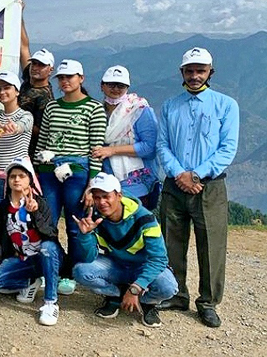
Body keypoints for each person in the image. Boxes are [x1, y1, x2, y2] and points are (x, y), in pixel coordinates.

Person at [156, 47, 239, 328]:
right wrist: (180, 174)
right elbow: (162, 145)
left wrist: (196, 174)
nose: (194, 76)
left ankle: (208, 302)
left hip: (210, 185)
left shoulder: (226, 105)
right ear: (182, 73)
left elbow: (228, 148)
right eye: (189, 71)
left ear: (210, 73)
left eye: (200, 71)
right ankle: (176, 293)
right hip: (175, 184)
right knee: (171, 242)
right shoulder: (169, 106)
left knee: (211, 246)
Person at [34, 59, 106, 296]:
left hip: (78, 171)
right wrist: (35, 174)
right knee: (48, 222)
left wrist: (92, 185)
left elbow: (96, 149)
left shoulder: (94, 109)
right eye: (62, 78)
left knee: (76, 226)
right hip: (48, 171)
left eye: (70, 77)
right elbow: (42, 142)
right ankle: (51, 268)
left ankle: (70, 272)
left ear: (81, 79)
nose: (65, 81)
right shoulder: (52, 108)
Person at [72, 173, 178, 328]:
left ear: (119, 195)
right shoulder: (93, 217)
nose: (101, 202)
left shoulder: (145, 218)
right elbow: (88, 258)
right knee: (80, 271)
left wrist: (135, 289)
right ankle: (116, 295)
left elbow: (159, 259)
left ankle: (147, 302)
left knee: (168, 287)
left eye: (106, 196)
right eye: (97, 197)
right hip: (116, 265)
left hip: (141, 266)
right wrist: (85, 235)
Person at [0, 156, 61, 325]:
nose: (17, 179)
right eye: (12, 176)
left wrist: (35, 213)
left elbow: (51, 235)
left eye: (22, 176)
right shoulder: (4, 206)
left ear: (30, 180)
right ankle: (30, 282)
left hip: (43, 257)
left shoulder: (41, 203)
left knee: (48, 248)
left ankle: (50, 303)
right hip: (21, 260)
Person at [91, 65, 160, 210]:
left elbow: (149, 147)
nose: (115, 89)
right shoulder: (97, 111)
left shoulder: (138, 110)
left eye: (121, 85)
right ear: (102, 85)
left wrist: (112, 150)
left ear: (127, 87)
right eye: (111, 84)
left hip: (136, 183)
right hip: (106, 181)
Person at [0, 71, 33, 228]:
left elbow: (22, 126)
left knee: (17, 226)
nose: (2, 92)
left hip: (17, 180)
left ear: (17, 91)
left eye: (7, 88)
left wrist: (14, 127)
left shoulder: (26, 115)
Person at [19, 48, 55, 158]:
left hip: (28, 151)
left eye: (41, 65)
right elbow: (23, 48)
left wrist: (18, 117)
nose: (35, 68)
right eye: (34, 63)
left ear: (50, 69)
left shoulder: (45, 98)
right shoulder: (29, 79)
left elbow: (41, 131)